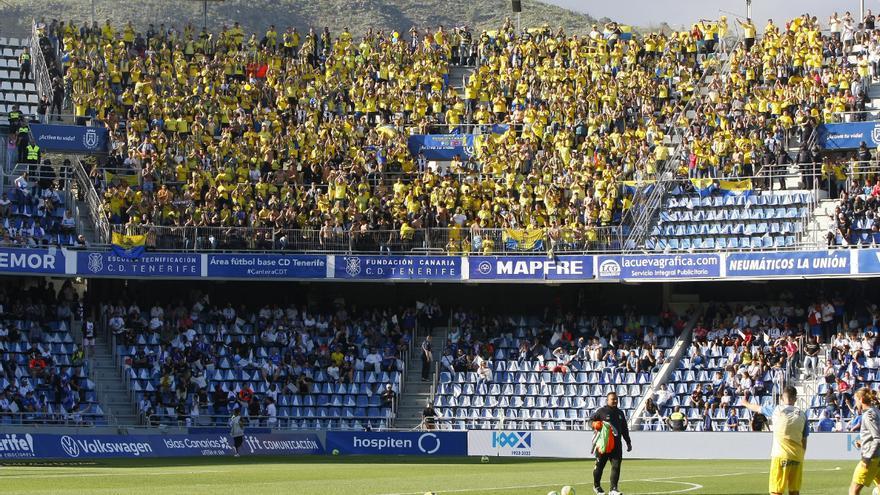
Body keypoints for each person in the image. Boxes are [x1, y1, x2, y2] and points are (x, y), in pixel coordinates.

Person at [743, 386, 808, 495]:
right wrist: (801, 456)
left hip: (780, 455)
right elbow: (804, 440)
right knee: (794, 491)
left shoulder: (777, 410)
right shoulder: (803, 415)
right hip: (797, 457)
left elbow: (758, 408)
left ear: (782, 398)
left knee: (776, 491)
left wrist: (745, 403)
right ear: (795, 399)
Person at [591, 392, 632, 495]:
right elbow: (590, 420)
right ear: (607, 400)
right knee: (599, 466)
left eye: (616, 399)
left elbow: (624, 429)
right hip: (603, 444)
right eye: (612, 399)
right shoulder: (601, 411)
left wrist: (628, 442)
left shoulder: (620, 413)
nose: (615, 401)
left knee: (616, 466)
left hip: (616, 445)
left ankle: (613, 489)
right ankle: (597, 486)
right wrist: (594, 424)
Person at [849, 388, 880, 495]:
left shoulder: (869, 415)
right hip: (877, 457)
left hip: (871, 458)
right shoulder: (876, 411)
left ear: (861, 399)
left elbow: (877, 438)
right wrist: (863, 443)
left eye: (856, 400)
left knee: (853, 490)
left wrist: (868, 457)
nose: (855, 403)